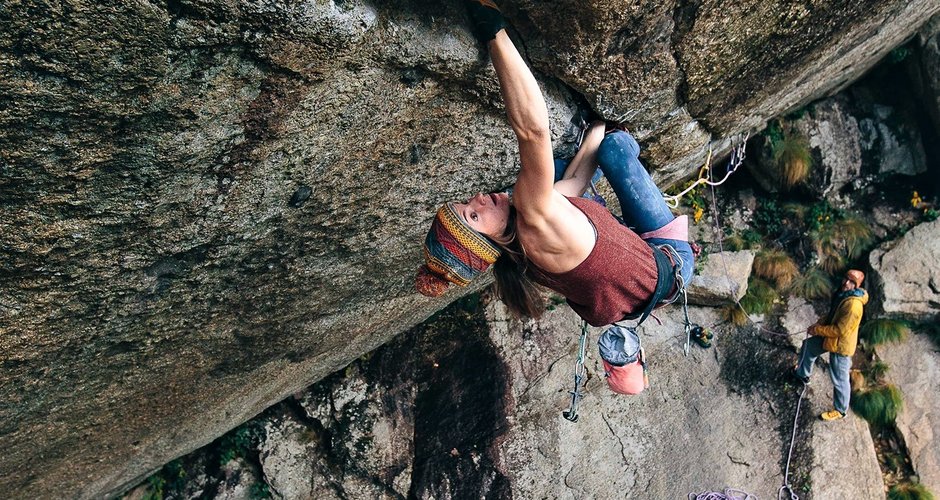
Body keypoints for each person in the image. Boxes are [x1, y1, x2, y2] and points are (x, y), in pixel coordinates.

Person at [415, 0, 693, 324]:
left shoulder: (522, 256)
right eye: (474, 215)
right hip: (669, 262)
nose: (477, 198)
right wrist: (494, 31)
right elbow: (533, 131)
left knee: (570, 165)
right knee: (616, 148)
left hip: (642, 288)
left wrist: (599, 125)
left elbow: (574, 183)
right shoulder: (532, 214)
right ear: (486, 243)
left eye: (465, 203)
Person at [794, 269, 869, 421]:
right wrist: (821, 321)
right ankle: (803, 375)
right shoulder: (844, 295)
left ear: (857, 286)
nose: (846, 283)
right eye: (846, 279)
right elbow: (834, 314)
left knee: (840, 379)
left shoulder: (854, 306)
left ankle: (841, 410)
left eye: (851, 282)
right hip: (830, 337)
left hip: (840, 346)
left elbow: (840, 330)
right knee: (808, 347)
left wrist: (818, 329)